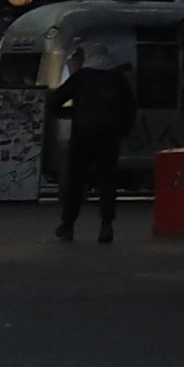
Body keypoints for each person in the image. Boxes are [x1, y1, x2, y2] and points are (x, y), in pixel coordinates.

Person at [50, 43, 139, 242]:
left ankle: (68, 225)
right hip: (108, 139)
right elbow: (131, 110)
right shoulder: (118, 79)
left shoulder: (81, 77)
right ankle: (106, 225)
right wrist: (119, 132)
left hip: (82, 136)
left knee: (75, 181)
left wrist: (68, 113)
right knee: (107, 182)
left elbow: (55, 100)